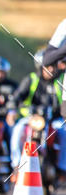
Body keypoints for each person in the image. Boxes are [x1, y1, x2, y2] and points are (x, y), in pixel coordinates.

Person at [6, 49, 66, 182]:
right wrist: (12, 110)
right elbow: (16, 97)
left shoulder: (60, 81)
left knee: (63, 134)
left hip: (54, 120)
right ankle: (16, 166)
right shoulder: (31, 79)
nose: (50, 68)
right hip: (32, 119)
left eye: (53, 65)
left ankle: (62, 169)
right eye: (47, 65)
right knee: (17, 132)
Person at [0, 56, 18, 149]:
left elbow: (14, 102)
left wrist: (6, 111)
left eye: (2, 72)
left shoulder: (12, 86)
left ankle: (12, 159)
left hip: (3, 119)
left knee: (13, 132)